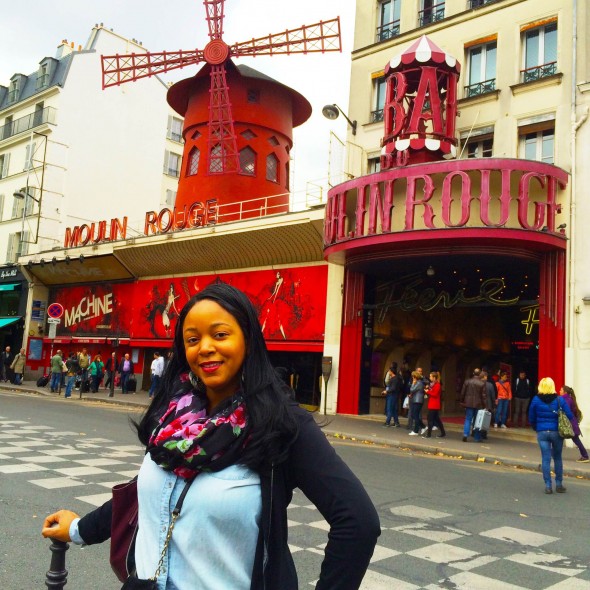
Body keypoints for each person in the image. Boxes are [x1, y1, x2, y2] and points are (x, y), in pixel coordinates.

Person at [41, 283, 380, 589]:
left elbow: (358, 523)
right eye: (192, 339)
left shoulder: (280, 421)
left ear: (247, 339)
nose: (204, 348)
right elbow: (149, 495)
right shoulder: (173, 415)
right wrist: (78, 530)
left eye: (219, 335)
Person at [528, 377, 575, 493]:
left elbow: (531, 417)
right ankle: (559, 484)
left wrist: (536, 427)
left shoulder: (535, 399)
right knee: (557, 457)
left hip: (542, 432)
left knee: (545, 459)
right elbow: (570, 415)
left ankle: (548, 485)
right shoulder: (559, 400)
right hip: (556, 432)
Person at [560, 385, 589, 463]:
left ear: (565, 392)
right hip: (573, 423)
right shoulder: (571, 399)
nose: (559, 391)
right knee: (575, 439)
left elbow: (566, 412)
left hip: (567, 424)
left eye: (561, 390)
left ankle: (553, 454)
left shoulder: (564, 400)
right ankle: (585, 456)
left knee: (559, 437)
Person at [460, 368, 487, 442]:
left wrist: (462, 401)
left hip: (468, 403)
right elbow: (483, 396)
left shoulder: (467, 381)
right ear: (479, 374)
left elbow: (463, 393)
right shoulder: (481, 383)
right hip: (478, 404)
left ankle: (465, 434)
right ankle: (477, 437)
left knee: (468, 419)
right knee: (477, 421)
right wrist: (485, 405)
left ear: (473, 373)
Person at [422, 371, 446, 438]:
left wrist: (428, 391)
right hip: (433, 404)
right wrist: (428, 388)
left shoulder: (437, 385)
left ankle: (429, 434)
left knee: (430, 419)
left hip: (434, 404)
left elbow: (434, 394)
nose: (430, 377)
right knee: (437, 419)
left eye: (430, 376)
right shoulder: (434, 384)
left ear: (434, 378)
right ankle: (443, 432)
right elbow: (432, 391)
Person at [383, 362, 402, 427]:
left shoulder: (394, 379)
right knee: (394, 409)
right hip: (395, 395)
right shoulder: (397, 378)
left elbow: (393, 388)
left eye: (389, 371)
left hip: (392, 395)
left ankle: (387, 422)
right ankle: (396, 422)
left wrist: (386, 391)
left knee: (389, 409)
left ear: (391, 371)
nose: (388, 372)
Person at [408, 370, 426, 436]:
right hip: (416, 400)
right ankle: (423, 426)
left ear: (415, 377)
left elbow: (412, 389)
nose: (412, 378)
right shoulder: (418, 383)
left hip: (418, 401)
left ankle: (416, 430)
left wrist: (413, 383)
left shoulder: (419, 383)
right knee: (413, 415)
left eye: (413, 377)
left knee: (415, 415)